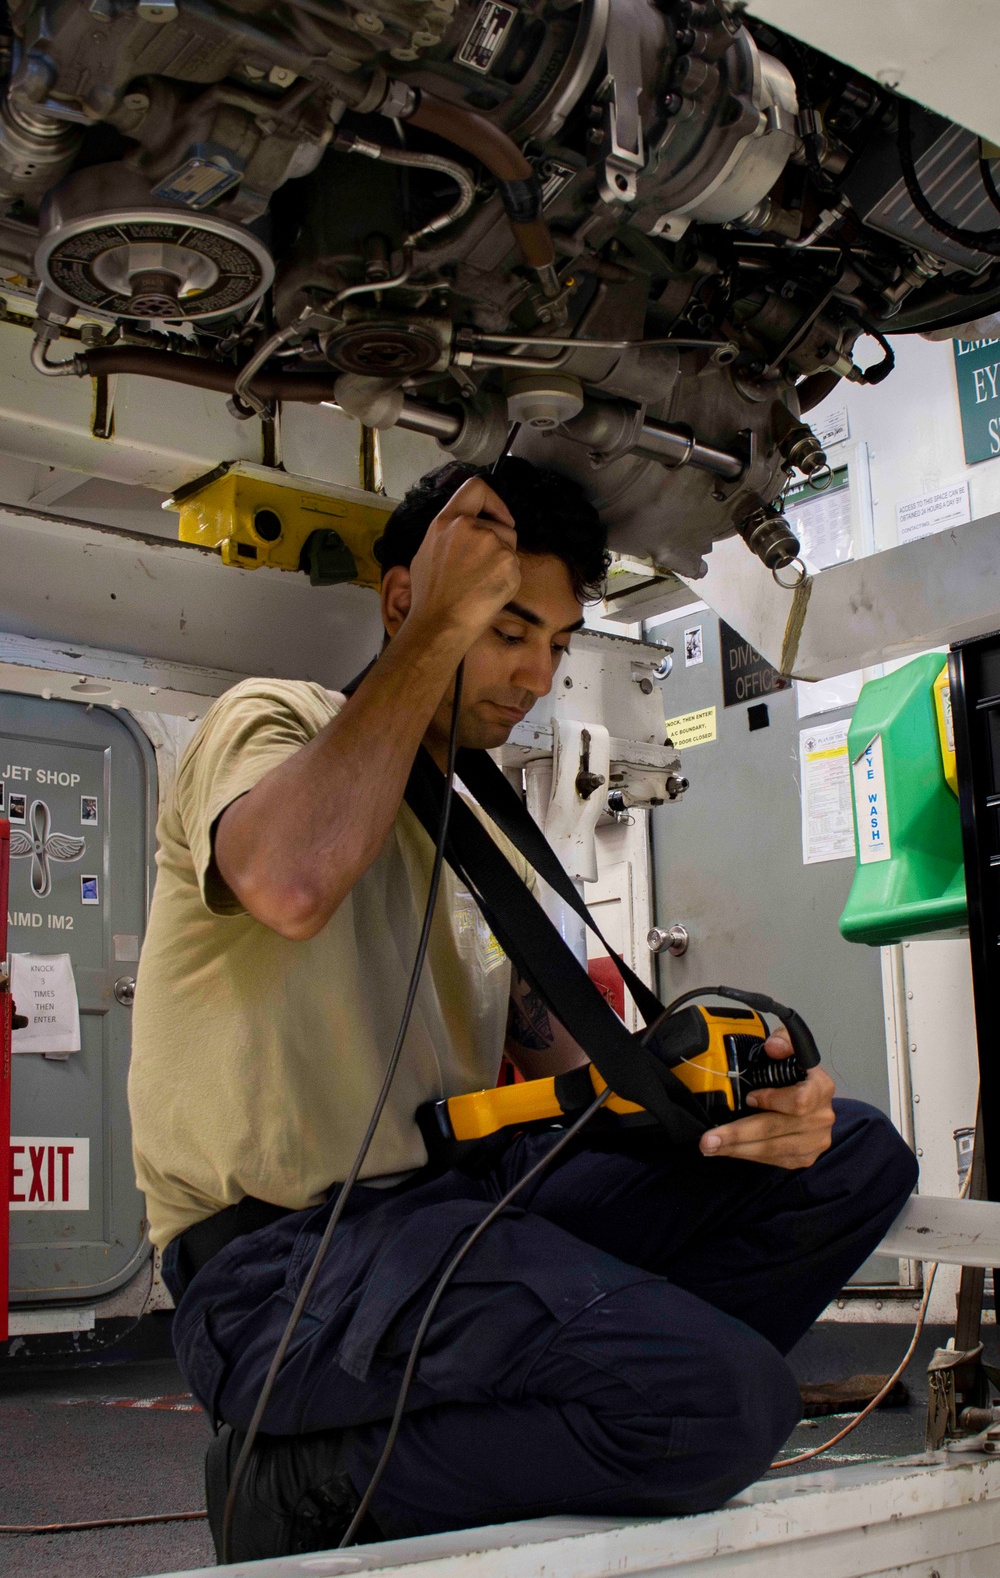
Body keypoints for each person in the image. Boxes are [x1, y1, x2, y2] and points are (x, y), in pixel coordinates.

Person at [128, 457, 918, 1562]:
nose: (537, 674)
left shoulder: (479, 820)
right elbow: (291, 882)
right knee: (719, 1403)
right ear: (409, 601)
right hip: (279, 1274)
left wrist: (745, 1076)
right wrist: (423, 644)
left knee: (852, 1157)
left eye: (556, 642)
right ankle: (299, 1476)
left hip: (448, 1221)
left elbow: (568, 1057)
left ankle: (588, 1394)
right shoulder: (272, 722)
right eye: (506, 629)